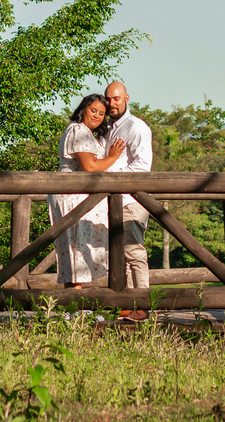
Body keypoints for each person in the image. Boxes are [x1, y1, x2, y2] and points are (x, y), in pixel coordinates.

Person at [47, 94, 126, 288]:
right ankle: (75, 311)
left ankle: (79, 309)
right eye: (93, 110)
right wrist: (113, 156)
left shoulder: (90, 135)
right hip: (73, 197)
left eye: (102, 113)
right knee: (76, 253)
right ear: (83, 109)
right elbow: (89, 167)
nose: (98, 116)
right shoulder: (78, 129)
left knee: (81, 254)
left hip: (83, 199)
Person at [102, 81, 153, 320]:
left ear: (126, 98)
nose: (111, 103)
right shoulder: (108, 128)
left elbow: (142, 168)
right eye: (108, 99)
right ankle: (126, 305)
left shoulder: (136, 127)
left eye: (116, 98)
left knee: (134, 253)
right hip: (112, 202)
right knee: (119, 256)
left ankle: (142, 306)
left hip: (131, 200)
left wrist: (109, 177)